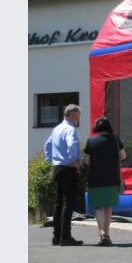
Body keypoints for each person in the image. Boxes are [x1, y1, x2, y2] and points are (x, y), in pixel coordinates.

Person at [43, 104, 84, 246]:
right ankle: (66, 236)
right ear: (72, 115)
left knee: (59, 202)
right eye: (78, 116)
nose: (79, 119)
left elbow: (47, 145)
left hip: (57, 168)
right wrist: (74, 160)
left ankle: (57, 236)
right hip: (67, 168)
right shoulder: (70, 129)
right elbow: (72, 144)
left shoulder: (56, 129)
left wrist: (52, 159)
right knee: (68, 203)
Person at [84, 117, 126, 246]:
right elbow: (123, 156)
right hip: (112, 178)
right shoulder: (115, 139)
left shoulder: (90, 140)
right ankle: (107, 234)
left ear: (96, 127)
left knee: (99, 207)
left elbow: (87, 161)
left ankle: (101, 232)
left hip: (95, 178)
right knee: (108, 206)